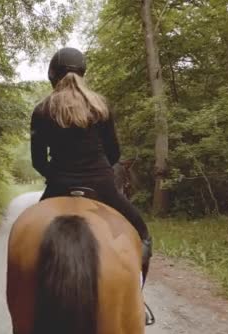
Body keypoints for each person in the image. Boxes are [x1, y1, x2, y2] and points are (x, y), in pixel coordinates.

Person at [30, 47, 153, 282]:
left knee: (30, 236)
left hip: (58, 186)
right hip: (102, 186)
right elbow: (114, 153)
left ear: (52, 75)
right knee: (142, 233)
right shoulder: (100, 105)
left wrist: (56, 176)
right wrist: (100, 171)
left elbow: (38, 160)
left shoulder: (42, 109)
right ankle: (138, 298)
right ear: (83, 72)